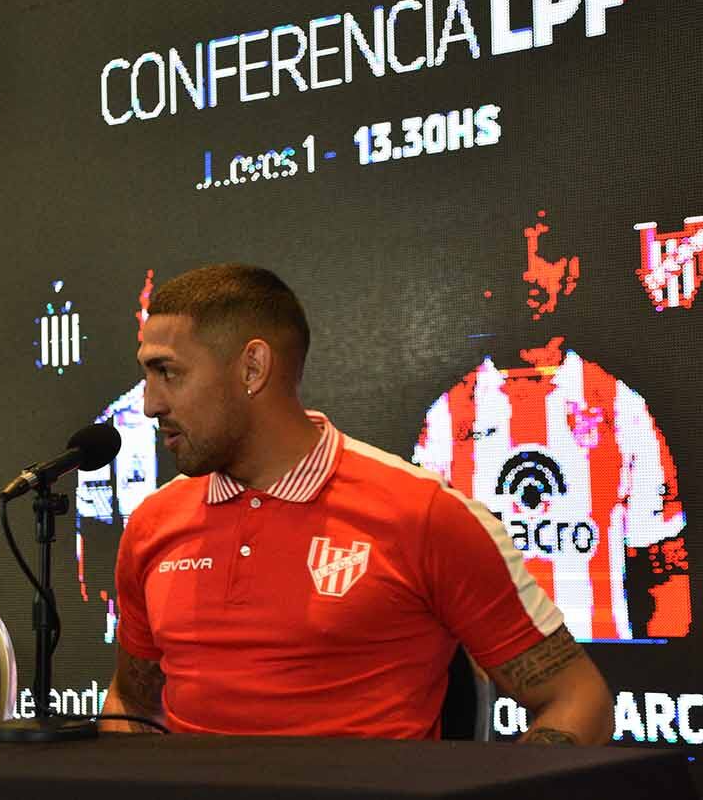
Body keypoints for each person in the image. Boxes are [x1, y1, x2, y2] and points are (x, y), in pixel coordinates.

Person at [99, 264, 613, 743]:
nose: (149, 404)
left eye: (167, 372)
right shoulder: (153, 524)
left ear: (252, 368)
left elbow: (577, 697)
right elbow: (132, 704)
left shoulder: (423, 515)